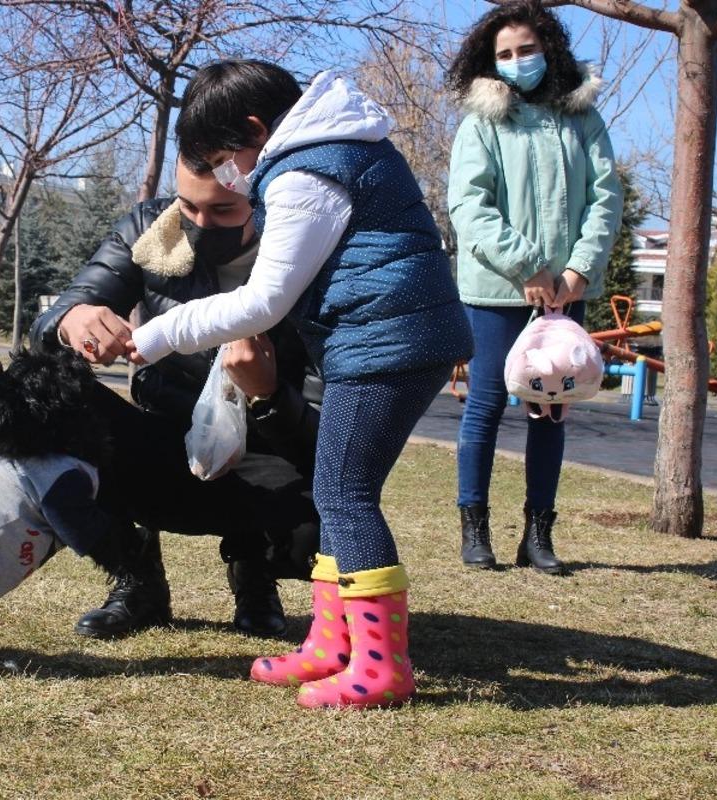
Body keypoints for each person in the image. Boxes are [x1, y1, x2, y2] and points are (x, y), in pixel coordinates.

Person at [128, 61, 473, 709]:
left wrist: (161, 332)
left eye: (223, 158)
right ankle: (333, 643)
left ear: (256, 130)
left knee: (344, 491)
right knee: (337, 487)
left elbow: (264, 301)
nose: (226, 175)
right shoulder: (336, 147)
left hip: (387, 338)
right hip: (388, 333)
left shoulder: (306, 171)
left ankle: (380, 666)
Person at [30, 160, 325, 641]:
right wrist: (72, 320)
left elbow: (327, 434)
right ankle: (139, 578)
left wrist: (268, 393)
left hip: (268, 451)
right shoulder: (151, 229)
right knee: (57, 405)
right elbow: (60, 314)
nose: (200, 225)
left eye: (224, 209)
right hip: (166, 436)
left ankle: (254, 571)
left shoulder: (309, 250)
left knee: (321, 521)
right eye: (188, 205)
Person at [447, 0, 622, 574]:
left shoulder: (584, 119)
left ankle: (538, 534)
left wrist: (576, 271)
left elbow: (605, 201)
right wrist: (527, 267)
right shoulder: (481, 124)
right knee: (487, 406)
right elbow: (469, 207)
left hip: (568, 293)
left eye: (526, 49)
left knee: (552, 407)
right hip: (498, 291)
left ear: (548, 48)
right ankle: (476, 530)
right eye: (504, 54)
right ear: (488, 61)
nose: (517, 61)